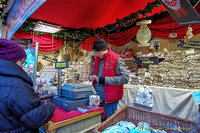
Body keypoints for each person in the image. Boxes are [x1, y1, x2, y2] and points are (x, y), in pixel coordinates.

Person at [0, 39, 55, 133]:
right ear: (13, 61)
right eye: (22, 62)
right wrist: (50, 106)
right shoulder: (16, 85)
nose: (23, 66)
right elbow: (34, 118)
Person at [89, 38, 129, 120]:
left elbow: (125, 78)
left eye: (97, 52)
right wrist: (90, 76)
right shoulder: (98, 59)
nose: (96, 54)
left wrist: (104, 80)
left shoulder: (117, 59)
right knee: (98, 121)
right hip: (97, 96)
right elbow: (94, 72)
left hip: (110, 98)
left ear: (104, 50)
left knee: (108, 121)